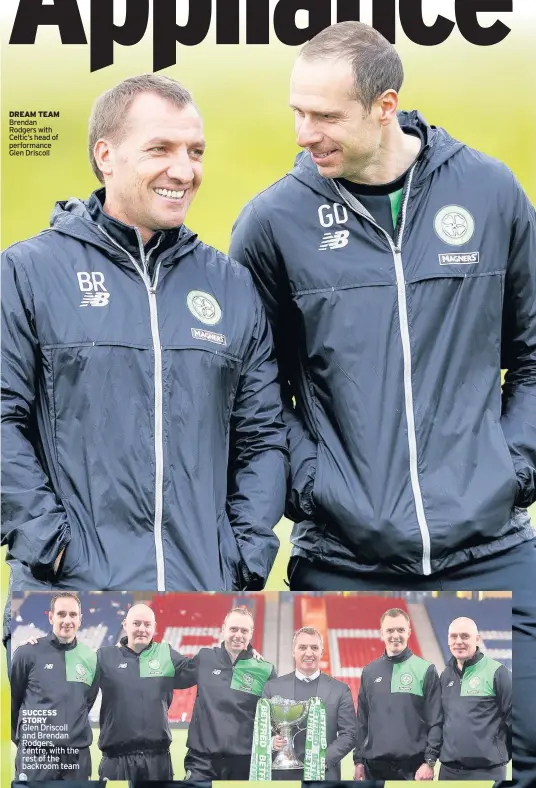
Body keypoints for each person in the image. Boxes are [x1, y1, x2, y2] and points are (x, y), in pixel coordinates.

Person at [229, 20, 536, 592]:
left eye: (325, 117)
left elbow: (533, 354)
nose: (304, 133)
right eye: (298, 112)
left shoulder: (491, 193)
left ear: (384, 105)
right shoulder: (272, 224)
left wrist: (513, 469)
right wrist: (317, 484)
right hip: (344, 564)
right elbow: (251, 390)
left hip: (495, 554)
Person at [1, 74, 288, 594]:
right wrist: (51, 545)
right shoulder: (27, 273)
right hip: (67, 599)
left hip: (205, 598)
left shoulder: (232, 286)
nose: (184, 170)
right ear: (106, 155)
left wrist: (244, 554)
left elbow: (263, 438)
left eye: (195, 151)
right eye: (161, 148)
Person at [95, 603, 195, 781]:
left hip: (158, 763)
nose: (142, 629)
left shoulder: (166, 655)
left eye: (147, 624)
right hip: (116, 763)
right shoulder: (104, 657)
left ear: (154, 627)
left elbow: (203, 670)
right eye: (137, 623)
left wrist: (245, 656)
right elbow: (72, 679)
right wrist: (37, 651)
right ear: (125, 624)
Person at [10, 592, 98, 782]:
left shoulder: (90, 658)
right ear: (51, 617)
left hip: (77, 758)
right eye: (61, 614)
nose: (67, 620)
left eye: (73, 615)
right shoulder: (27, 653)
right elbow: (13, 701)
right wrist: (26, 742)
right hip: (37, 757)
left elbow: (86, 702)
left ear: (80, 619)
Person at [182, 607, 276, 780]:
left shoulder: (264, 670)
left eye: (244, 630)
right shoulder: (205, 658)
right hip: (202, 762)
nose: (238, 635)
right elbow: (172, 676)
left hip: (243, 763)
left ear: (251, 633)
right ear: (223, 629)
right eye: (233, 629)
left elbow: (275, 717)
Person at [354, 608, 441, 781]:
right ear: (381, 633)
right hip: (374, 768)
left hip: (414, 769)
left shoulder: (426, 670)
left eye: (401, 630)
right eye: (390, 630)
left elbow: (437, 721)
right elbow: (362, 721)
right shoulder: (369, 671)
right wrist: (358, 762)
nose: (395, 635)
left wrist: (429, 762)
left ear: (409, 632)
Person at [259, 626, 356, 781]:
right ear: (293, 651)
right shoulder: (272, 688)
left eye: (314, 648)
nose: (309, 653)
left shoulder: (340, 690)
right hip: (282, 777)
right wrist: (271, 742)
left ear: (322, 652)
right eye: (302, 647)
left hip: (324, 775)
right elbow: (261, 729)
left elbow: (349, 734)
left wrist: (323, 760)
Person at [439, 616, 512, 781]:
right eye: (454, 636)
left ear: (477, 639)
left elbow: (516, 722)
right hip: (448, 772)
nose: (459, 641)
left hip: (487, 773)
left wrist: (499, 754)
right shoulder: (445, 675)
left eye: (465, 636)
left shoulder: (498, 672)